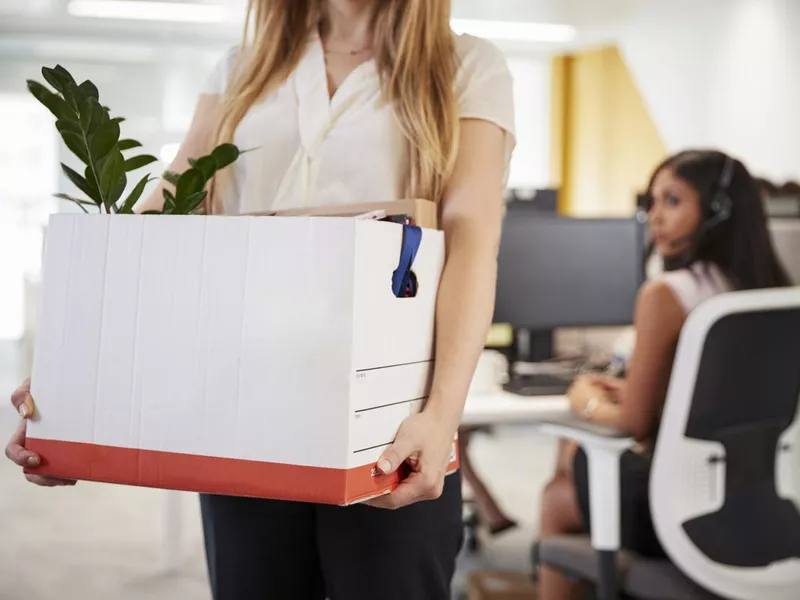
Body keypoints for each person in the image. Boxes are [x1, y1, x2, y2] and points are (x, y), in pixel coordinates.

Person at [5, 1, 516, 598]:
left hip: (391, 419)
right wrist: (80, 391)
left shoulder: (466, 66)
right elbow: (168, 217)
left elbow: (472, 243)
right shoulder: (243, 69)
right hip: (245, 410)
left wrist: (442, 415)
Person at [537, 150, 792, 600]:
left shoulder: (666, 294)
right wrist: (643, 390)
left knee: (559, 492)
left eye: (671, 201)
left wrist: (585, 398)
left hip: (682, 510)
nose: (654, 216)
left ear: (717, 211)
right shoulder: (773, 293)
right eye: (652, 201)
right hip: (762, 503)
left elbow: (633, 425)